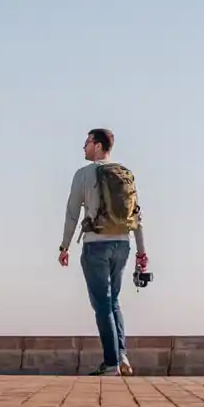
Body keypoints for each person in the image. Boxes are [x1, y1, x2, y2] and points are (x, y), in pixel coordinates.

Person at [58, 127, 149, 376]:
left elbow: (72, 213)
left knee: (102, 305)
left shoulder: (84, 174)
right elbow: (137, 215)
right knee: (114, 302)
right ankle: (121, 357)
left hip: (96, 244)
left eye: (87, 142)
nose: (84, 147)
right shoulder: (125, 174)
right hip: (123, 244)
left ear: (98, 146)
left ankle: (111, 364)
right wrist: (142, 252)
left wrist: (64, 246)